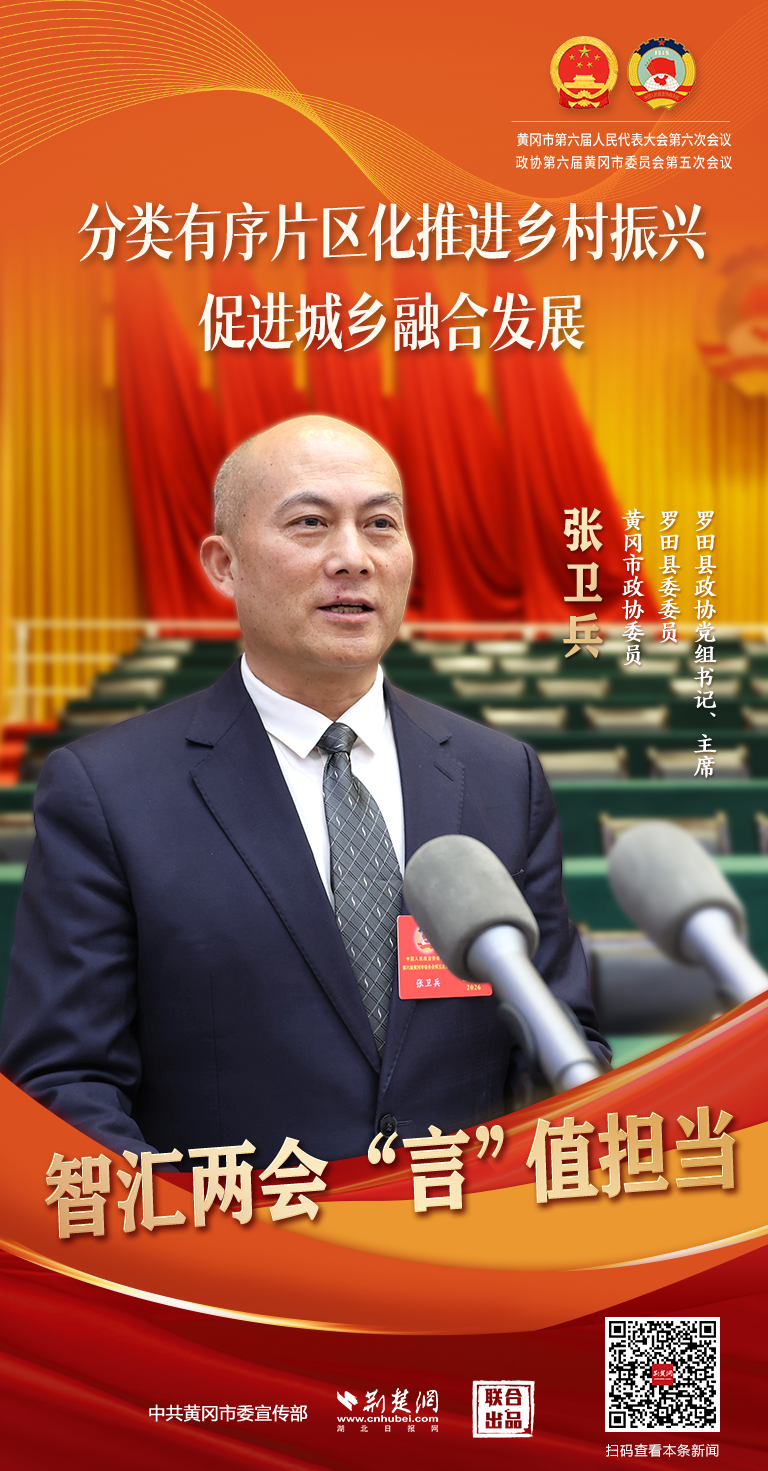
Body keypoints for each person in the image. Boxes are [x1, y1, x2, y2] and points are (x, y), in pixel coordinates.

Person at [0, 416, 608, 1167]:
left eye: (380, 524)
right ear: (224, 565)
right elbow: (64, 1082)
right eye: (311, 524)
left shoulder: (501, 775)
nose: (353, 557)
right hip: (229, 1233)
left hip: (464, 1223)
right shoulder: (107, 791)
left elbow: (561, 1043)